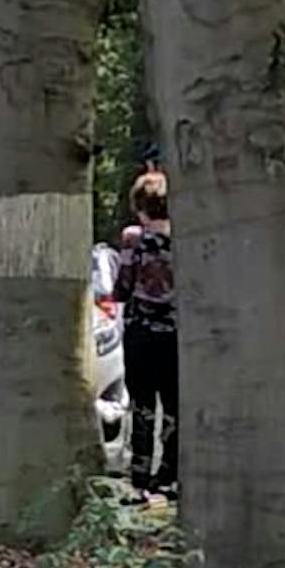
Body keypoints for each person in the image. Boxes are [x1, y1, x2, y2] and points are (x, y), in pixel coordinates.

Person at [115, 170, 176, 498]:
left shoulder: (132, 239)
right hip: (176, 334)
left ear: (140, 206)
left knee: (142, 403)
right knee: (175, 403)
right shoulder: (186, 239)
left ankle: (139, 475)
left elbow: (121, 289)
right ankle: (170, 474)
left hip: (141, 332)